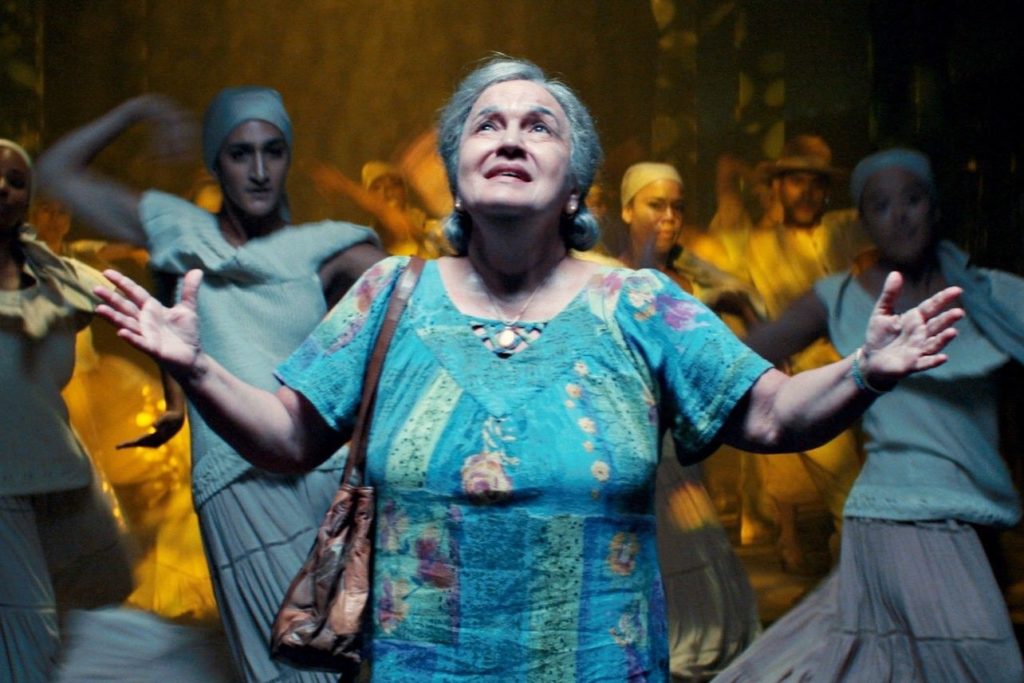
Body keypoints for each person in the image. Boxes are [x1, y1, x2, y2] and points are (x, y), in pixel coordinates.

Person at [93, 58, 962, 682]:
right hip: (421, 666)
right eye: (487, 123)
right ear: (458, 179)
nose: (510, 135)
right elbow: (288, 438)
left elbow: (770, 412)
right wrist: (199, 368)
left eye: (537, 124)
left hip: (598, 663)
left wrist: (866, 370)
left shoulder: (640, 303)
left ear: (578, 185)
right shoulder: (390, 294)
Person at [37, 87, 385, 682]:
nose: (257, 170)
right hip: (232, 484)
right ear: (214, 162)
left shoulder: (334, 248)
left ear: (288, 157)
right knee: (275, 666)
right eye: (238, 153)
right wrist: (137, 109)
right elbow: (55, 172)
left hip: (316, 480)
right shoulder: (177, 228)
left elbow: (389, 349)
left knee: (347, 663)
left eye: (272, 151)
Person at [716, 148, 1024, 682]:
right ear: (863, 221)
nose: (899, 216)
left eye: (912, 199)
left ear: (934, 206)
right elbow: (738, 356)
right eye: (880, 205)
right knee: (984, 667)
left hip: (976, 521)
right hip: (896, 516)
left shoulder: (994, 297)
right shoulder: (838, 300)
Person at [618, 161, 762, 680]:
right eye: (656, 205)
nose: (669, 217)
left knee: (696, 556)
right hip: (624, 440)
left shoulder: (692, 280)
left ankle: (689, 656)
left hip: (680, 444)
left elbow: (743, 316)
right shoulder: (603, 275)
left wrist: (738, 308)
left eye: (677, 207)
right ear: (627, 208)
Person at [0, 139, 132, 681]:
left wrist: (179, 395)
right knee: (31, 631)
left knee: (103, 597)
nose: (3, 190)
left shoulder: (59, 276)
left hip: (61, 469)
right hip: (5, 482)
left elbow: (146, 311)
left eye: (15, 181)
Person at [721, 138, 870, 572]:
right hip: (809, 381)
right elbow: (731, 292)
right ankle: (853, 591)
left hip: (867, 376)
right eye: (795, 182)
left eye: (814, 183)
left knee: (866, 488)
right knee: (848, 494)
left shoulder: (846, 230)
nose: (805, 192)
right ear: (778, 189)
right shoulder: (756, 245)